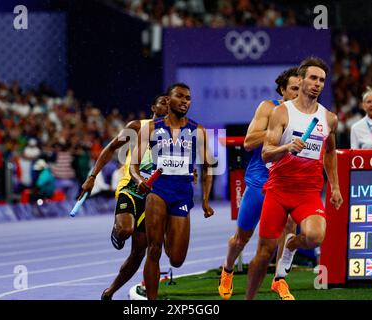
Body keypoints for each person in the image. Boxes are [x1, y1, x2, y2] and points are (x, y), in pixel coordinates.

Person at [245, 57, 343, 300]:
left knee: (314, 236)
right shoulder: (281, 112)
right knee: (264, 252)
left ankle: (290, 244)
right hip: (278, 190)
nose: (317, 83)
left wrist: (335, 187)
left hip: (308, 193)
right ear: (302, 80)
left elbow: (330, 152)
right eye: (312, 78)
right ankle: (249, 297)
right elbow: (266, 152)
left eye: (322, 80)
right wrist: (286, 147)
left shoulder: (329, 118)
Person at [218, 67, 300, 300]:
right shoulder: (268, 107)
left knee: (289, 228)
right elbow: (248, 142)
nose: (297, 93)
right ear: (283, 90)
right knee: (241, 238)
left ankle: (279, 280)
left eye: (300, 89)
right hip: (260, 180)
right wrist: (278, 127)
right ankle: (228, 268)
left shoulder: (306, 113)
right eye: (293, 88)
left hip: (286, 182)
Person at [130, 83, 215, 300]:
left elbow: (208, 166)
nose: (185, 101)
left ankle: (167, 230)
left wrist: (205, 201)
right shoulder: (151, 128)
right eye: (180, 96)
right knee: (154, 249)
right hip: (158, 190)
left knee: (177, 259)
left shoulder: (198, 130)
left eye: (188, 97)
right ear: (168, 100)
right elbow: (134, 165)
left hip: (182, 194)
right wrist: (140, 180)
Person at [79, 95, 169, 300]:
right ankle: (117, 231)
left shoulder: (176, 133)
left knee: (138, 253)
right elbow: (111, 148)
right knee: (125, 230)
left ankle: (110, 291)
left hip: (155, 196)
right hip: (131, 186)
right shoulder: (137, 126)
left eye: (168, 102)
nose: (166, 104)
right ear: (153, 107)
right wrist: (92, 177)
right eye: (162, 101)